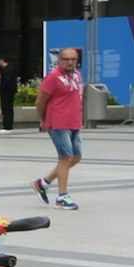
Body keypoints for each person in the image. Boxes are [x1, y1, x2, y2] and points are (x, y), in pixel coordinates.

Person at [35, 48, 83, 211]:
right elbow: (40, 102)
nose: (70, 62)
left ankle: (43, 183)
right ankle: (62, 197)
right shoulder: (53, 77)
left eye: (73, 59)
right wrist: (44, 120)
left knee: (75, 158)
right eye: (66, 59)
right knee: (65, 157)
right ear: (60, 60)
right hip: (58, 122)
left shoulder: (77, 75)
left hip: (74, 122)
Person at [0, 55, 18, 134]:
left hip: (7, 91)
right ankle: (9, 126)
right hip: (11, 91)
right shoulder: (11, 68)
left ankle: (6, 126)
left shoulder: (6, 69)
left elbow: (6, 81)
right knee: (9, 108)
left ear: (2, 60)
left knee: (5, 108)